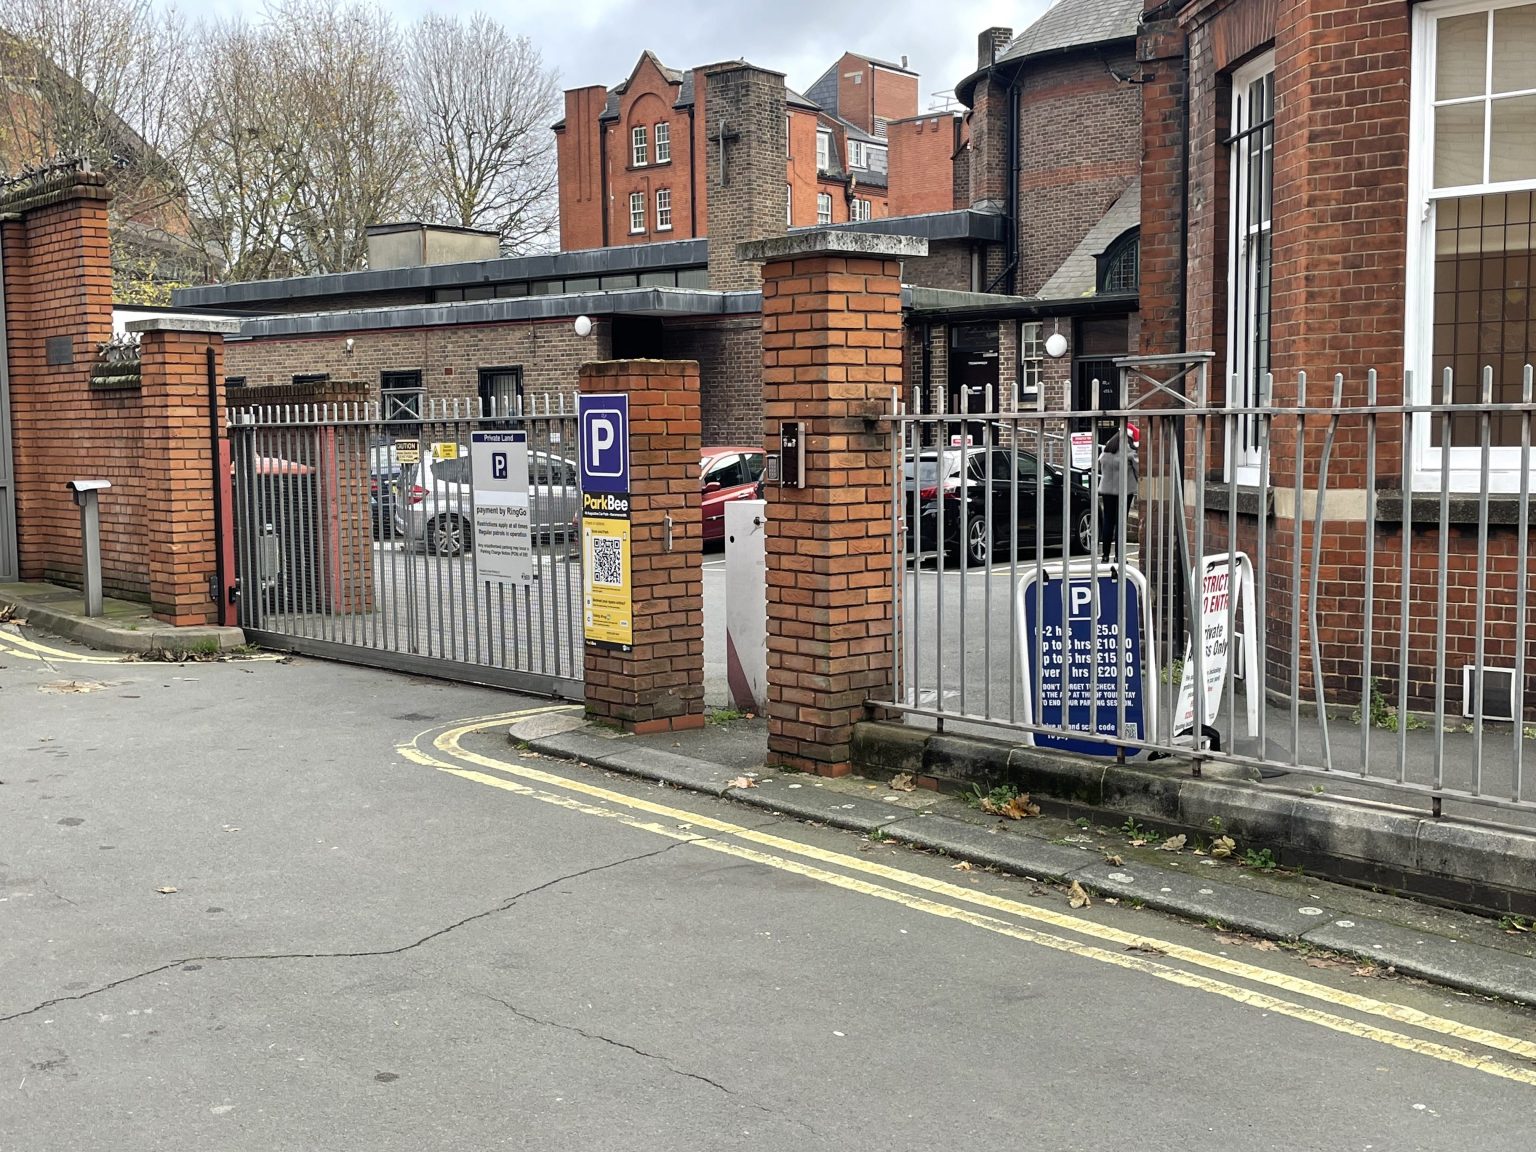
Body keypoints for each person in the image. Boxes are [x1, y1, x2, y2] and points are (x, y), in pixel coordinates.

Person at [1097, 431, 1139, 563]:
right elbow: (1138, 469)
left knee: (1108, 521)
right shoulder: (1129, 450)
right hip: (1124, 490)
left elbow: (1100, 466)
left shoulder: (1106, 449)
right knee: (1121, 522)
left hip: (1106, 490)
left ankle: (1105, 555)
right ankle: (1119, 556)